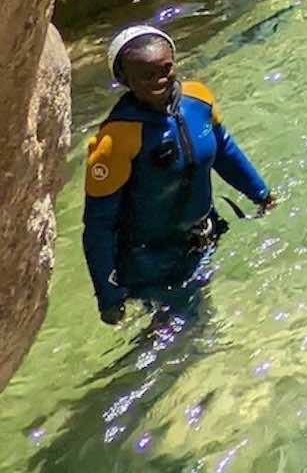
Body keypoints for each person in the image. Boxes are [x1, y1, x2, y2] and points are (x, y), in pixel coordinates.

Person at [82, 25, 274, 326]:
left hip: (201, 237)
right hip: (149, 263)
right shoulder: (114, 140)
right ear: (124, 79)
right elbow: (98, 226)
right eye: (146, 75)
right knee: (182, 331)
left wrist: (260, 193)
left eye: (166, 68)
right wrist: (108, 296)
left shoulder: (198, 100)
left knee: (199, 318)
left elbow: (224, 149)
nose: (160, 80)